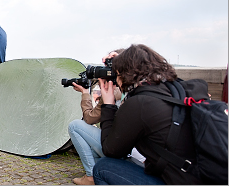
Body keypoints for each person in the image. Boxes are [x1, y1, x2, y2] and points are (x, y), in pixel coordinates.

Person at [93, 44, 205, 185]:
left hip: (178, 181)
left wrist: (108, 105)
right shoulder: (176, 89)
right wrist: (122, 58)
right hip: (201, 175)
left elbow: (111, 150)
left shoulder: (140, 103)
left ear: (124, 75)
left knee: (103, 168)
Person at [67, 49, 126, 185]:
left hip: (118, 150)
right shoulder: (135, 90)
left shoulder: (113, 92)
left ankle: (91, 176)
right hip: (134, 155)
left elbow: (89, 118)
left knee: (75, 126)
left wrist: (85, 94)